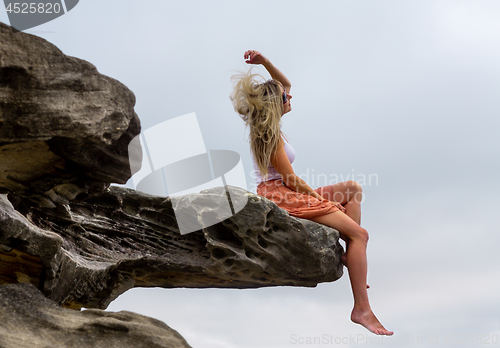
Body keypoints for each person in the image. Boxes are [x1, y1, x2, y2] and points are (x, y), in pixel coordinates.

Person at [230, 50, 393, 336]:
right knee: (361, 234)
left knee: (353, 189)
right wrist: (318, 200)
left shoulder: (272, 123)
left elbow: (286, 84)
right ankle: (362, 309)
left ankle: (350, 253)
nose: (290, 97)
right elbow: (291, 180)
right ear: (275, 104)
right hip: (279, 194)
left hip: (284, 190)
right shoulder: (266, 134)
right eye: (285, 97)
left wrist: (265, 63)